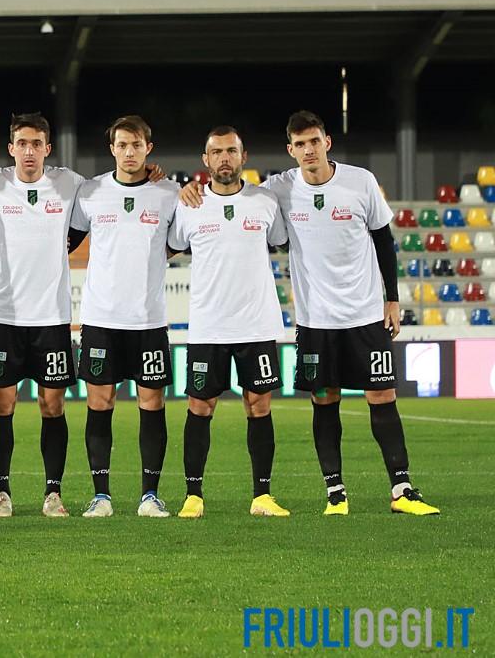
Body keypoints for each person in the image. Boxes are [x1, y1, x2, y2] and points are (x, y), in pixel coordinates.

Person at [179, 111, 438, 516]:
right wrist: (187, 192)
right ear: (290, 150)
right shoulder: (276, 190)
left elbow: (384, 241)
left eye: (314, 142)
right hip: (315, 320)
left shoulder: (360, 182)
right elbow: (225, 200)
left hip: (366, 312)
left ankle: (402, 490)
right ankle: (336, 494)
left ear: (327, 142)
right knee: (324, 399)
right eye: (300, 145)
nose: (308, 150)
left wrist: (392, 298)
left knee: (382, 395)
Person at [166, 126, 290, 519]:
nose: (224, 158)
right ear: (205, 160)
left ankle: (262, 496)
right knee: (200, 407)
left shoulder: (265, 202)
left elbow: (287, 242)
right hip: (208, 326)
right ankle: (193, 496)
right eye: (216, 152)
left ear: (243, 156)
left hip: (257, 325)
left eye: (231, 151)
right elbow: (165, 250)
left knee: (259, 406)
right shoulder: (189, 205)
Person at [70, 115, 180, 518]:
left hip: (149, 320)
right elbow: (67, 240)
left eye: (136, 145)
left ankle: (149, 496)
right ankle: (101, 496)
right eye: (122, 145)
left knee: (152, 403)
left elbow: (176, 244)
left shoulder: (169, 193)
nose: (129, 152)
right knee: (100, 402)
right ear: (111, 148)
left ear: (148, 148)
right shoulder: (92, 192)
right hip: (101, 318)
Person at [0, 113, 83, 518]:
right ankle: (1, 494)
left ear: (47, 148)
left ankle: (52, 494)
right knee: (2, 405)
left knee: (51, 406)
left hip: (51, 317)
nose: (28, 151)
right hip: (4, 315)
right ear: (11, 148)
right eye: (21, 143)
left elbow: (103, 204)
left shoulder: (70, 183)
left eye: (36, 143)